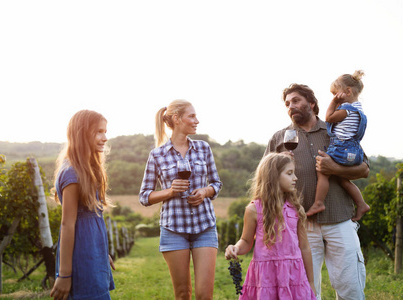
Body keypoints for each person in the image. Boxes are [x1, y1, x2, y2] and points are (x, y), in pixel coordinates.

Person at [264, 84, 369, 300]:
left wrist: (335, 169)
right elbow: (265, 180)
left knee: (351, 289)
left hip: (340, 220)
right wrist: (279, 169)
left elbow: (364, 169)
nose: (291, 106)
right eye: (287, 104)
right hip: (300, 226)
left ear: (311, 103)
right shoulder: (279, 138)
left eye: (295, 101)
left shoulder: (337, 130)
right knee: (305, 291)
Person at [139, 99, 222, 300]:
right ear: (176, 119)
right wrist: (169, 192)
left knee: (205, 295)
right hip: (173, 230)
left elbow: (217, 184)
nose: (197, 121)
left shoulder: (204, 148)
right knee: (183, 294)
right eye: (191, 116)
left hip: (204, 227)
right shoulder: (157, 155)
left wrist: (205, 192)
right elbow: (144, 196)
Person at [225, 153, 317, 299]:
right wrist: (235, 248)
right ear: (273, 176)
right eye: (289, 173)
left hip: (294, 277)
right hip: (266, 277)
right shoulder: (253, 209)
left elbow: (305, 247)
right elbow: (246, 241)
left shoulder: (296, 208)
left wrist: (311, 282)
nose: (295, 178)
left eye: (294, 173)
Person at [50, 110, 115, 300]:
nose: (105, 138)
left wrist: (101, 252)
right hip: (81, 255)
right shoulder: (72, 174)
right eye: (99, 132)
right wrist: (64, 275)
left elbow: (91, 219)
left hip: (93, 252)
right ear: (82, 133)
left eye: (105, 132)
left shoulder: (86, 169)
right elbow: (67, 225)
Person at [306, 70, 370, 220]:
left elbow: (328, 118)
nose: (334, 99)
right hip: (354, 151)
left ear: (347, 91)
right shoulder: (360, 111)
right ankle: (361, 204)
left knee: (323, 169)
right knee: (342, 179)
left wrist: (334, 103)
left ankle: (319, 202)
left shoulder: (346, 109)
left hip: (342, 149)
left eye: (336, 94)